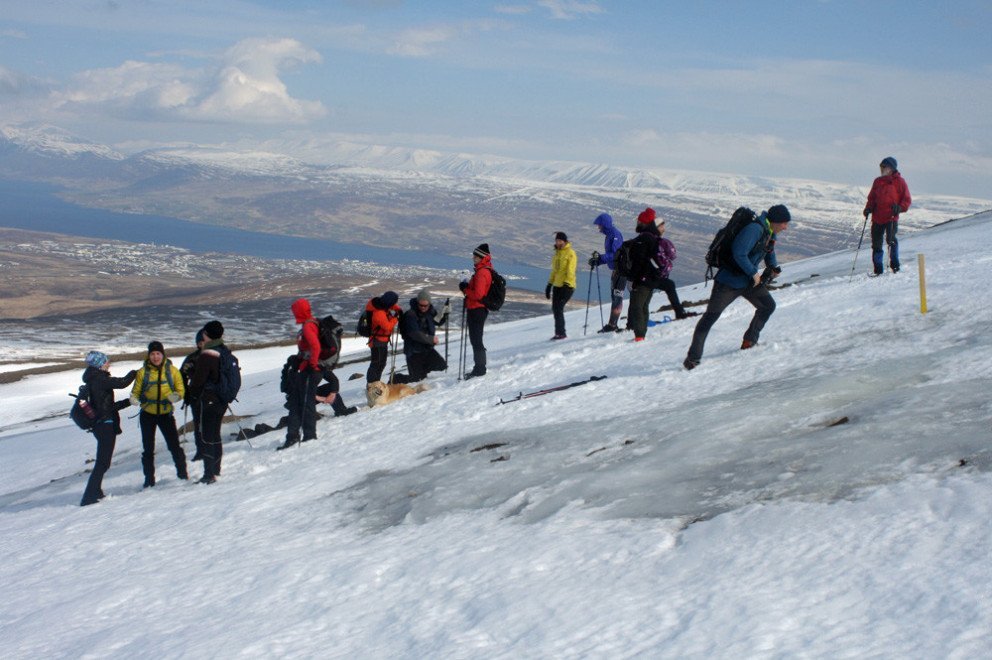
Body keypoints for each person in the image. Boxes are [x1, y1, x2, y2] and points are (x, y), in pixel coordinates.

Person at [683, 205, 792, 370]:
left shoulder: (770, 232)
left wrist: (774, 267)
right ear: (776, 221)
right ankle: (693, 359)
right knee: (710, 318)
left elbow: (769, 251)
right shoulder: (755, 229)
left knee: (767, 306)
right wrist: (753, 273)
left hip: (748, 282)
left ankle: (749, 341)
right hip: (729, 283)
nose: (786, 227)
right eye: (784, 223)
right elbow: (738, 252)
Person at [79, 351, 136, 506]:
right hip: (105, 425)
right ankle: (89, 496)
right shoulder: (100, 379)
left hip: (102, 424)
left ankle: (95, 492)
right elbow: (123, 382)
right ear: (99, 364)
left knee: (103, 462)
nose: (108, 363)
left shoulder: (94, 379)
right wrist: (136, 372)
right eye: (106, 361)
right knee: (103, 463)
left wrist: (129, 402)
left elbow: (108, 407)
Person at [130, 341, 188, 488]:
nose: (155, 357)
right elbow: (135, 393)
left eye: (158, 354)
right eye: (152, 354)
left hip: (165, 414)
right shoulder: (143, 373)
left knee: (174, 446)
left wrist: (175, 397)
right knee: (148, 450)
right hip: (147, 415)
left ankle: (183, 475)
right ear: (149, 355)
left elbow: (180, 390)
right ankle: (149, 481)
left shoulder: (172, 371)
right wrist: (135, 400)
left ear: (163, 354)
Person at [278, 298, 323, 450]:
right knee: (299, 403)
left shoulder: (308, 326)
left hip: (309, 371)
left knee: (305, 403)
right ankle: (295, 436)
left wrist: (312, 365)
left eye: (295, 310)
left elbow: (315, 347)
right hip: (307, 369)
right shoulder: (312, 322)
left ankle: (307, 436)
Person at [186, 320, 228, 483]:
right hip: (222, 399)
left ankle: (209, 474)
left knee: (207, 437)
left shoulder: (208, 354)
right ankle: (216, 470)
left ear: (207, 335)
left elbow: (198, 381)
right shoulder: (224, 350)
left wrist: (193, 395)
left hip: (209, 400)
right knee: (216, 434)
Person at [864, 156, 911, 275]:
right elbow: (872, 198)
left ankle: (895, 266)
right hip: (877, 217)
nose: (881, 169)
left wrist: (899, 208)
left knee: (891, 241)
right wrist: (868, 208)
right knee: (876, 244)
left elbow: (906, 200)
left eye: (883, 167)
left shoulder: (900, 182)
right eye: (881, 167)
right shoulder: (878, 181)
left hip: (891, 217)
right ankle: (878, 270)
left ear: (890, 168)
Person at [398, 289, 449, 382]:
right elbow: (414, 334)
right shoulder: (411, 315)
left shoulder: (430, 311)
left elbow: (437, 321)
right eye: (421, 305)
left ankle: (421, 371)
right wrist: (431, 339)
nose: (423, 307)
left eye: (425, 305)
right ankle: (396, 378)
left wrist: (445, 313)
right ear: (417, 303)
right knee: (416, 379)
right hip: (413, 352)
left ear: (429, 303)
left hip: (426, 349)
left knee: (441, 365)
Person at [459, 243, 493, 379]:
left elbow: (478, 295)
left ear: (481, 257)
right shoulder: (485, 270)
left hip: (476, 309)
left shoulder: (482, 272)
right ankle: (480, 366)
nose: (473, 257)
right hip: (478, 309)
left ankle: (480, 369)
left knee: (476, 340)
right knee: (476, 339)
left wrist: (465, 289)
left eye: (476, 255)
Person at [591, 212, 625, 332]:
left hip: (621, 271)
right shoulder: (610, 235)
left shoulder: (615, 235)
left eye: (599, 225)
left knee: (617, 297)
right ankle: (612, 325)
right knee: (614, 296)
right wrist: (598, 261)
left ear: (604, 224)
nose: (598, 227)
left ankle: (613, 325)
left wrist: (600, 258)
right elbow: (610, 256)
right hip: (616, 271)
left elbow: (615, 255)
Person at [179, 329, 207, 462]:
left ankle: (211, 448)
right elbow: (181, 376)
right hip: (196, 395)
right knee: (198, 424)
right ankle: (200, 451)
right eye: (201, 342)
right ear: (198, 343)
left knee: (211, 423)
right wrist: (186, 393)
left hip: (212, 395)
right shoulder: (191, 358)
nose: (203, 344)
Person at [364, 291, 403, 383]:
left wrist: (398, 309)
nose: (394, 304)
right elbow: (387, 327)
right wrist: (396, 318)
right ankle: (372, 384)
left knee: (381, 363)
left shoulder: (380, 304)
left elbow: (391, 305)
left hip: (381, 340)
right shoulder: (379, 313)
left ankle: (375, 382)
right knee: (377, 364)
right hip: (377, 341)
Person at [545, 232, 577, 340]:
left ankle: (562, 333)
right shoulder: (557, 254)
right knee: (555, 309)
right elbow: (554, 271)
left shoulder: (570, 253)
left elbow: (570, 270)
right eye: (556, 240)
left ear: (564, 241)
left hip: (567, 286)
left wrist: (567, 284)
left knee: (558, 308)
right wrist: (549, 284)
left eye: (560, 240)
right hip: (557, 286)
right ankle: (558, 333)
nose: (558, 242)